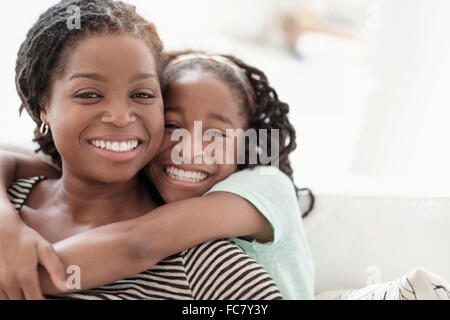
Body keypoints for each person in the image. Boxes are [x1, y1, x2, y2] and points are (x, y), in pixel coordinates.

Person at [0, 0, 283, 300]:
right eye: (90, 94)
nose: (121, 116)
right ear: (42, 104)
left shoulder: (205, 264)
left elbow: (137, 244)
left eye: (142, 94)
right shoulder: (12, 196)